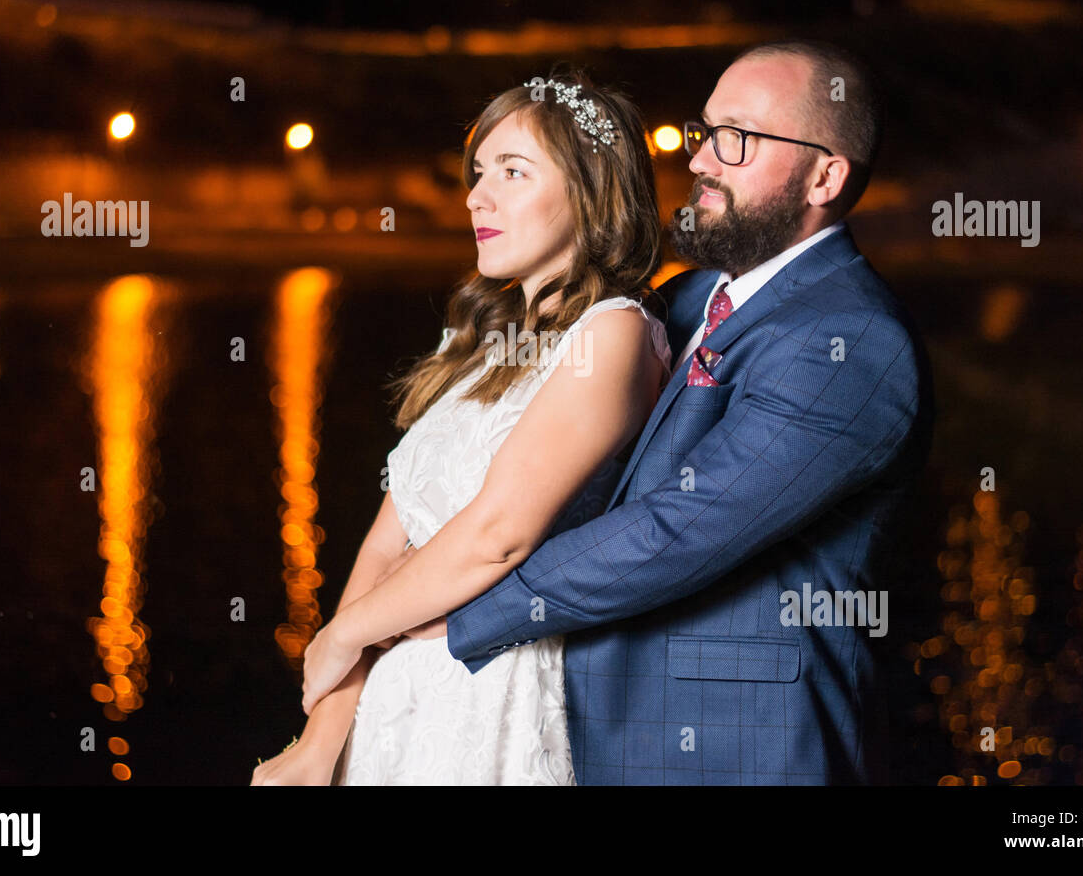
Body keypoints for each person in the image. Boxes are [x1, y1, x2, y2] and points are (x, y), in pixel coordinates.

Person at [444, 39, 935, 784]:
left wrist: (457, 614)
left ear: (825, 175)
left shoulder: (853, 340)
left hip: (742, 752)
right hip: (597, 731)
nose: (701, 159)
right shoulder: (684, 301)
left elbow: (671, 530)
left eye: (737, 139)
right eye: (705, 132)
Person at [250, 68, 671, 784]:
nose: (477, 196)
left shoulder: (614, 335)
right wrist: (323, 735)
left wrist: (344, 633)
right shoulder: (475, 336)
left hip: (485, 695)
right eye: (478, 172)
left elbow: (496, 535)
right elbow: (392, 536)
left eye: (513, 171)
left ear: (592, 188)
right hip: (387, 702)